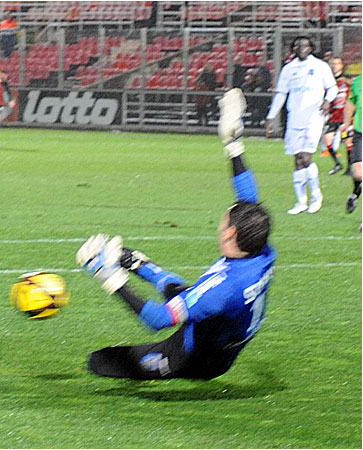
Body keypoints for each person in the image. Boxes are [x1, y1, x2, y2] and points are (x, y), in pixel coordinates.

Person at [77, 89, 275, 381]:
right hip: (223, 328)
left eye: (223, 221)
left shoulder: (224, 288)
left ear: (231, 232)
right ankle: (133, 262)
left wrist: (107, 277)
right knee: (184, 294)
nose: (220, 223)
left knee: (104, 362)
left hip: (200, 357)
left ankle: (126, 268)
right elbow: (248, 196)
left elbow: (158, 319)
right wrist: (233, 145)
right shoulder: (259, 246)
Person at [265, 36, 337, 215]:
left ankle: (316, 196)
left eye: (305, 45)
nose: (301, 48)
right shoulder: (289, 69)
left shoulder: (320, 66)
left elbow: (333, 87)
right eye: (298, 46)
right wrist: (271, 117)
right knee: (297, 160)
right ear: (293, 49)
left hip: (314, 117)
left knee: (306, 157)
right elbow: (281, 94)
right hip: (294, 118)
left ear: (310, 48)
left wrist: (327, 101)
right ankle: (301, 202)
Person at [321, 57, 352, 175]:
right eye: (332, 64)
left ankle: (349, 168)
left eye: (337, 64)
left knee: (348, 141)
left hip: (345, 114)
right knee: (327, 139)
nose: (334, 66)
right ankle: (337, 163)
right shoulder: (327, 80)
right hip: (333, 115)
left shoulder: (347, 79)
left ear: (342, 65)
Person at [342, 75, 362, 215]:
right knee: (358, 173)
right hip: (360, 133)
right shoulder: (357, 82)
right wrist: (346, 124)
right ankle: (355, 193)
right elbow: (351, 103)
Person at [194, 61, 219, 126]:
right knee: (201, 107)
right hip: (203, 93)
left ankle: (206, 120)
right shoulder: (203, 73)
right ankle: (200, 120)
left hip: (210, 92)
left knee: (205, 107)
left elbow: (213, 83)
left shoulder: (213, 74)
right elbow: (198, 81)